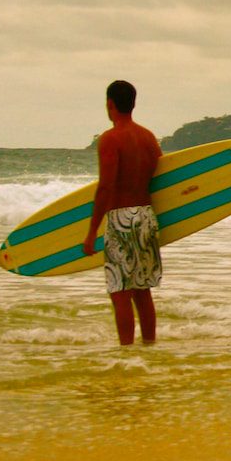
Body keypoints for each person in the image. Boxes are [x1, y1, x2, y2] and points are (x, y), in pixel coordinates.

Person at [84, 79, 164, 345]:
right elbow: (161, 177)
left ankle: (127, 354)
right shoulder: (148, 137)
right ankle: (149, 347)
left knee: (120, 291)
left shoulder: (110, 139)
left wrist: (91, 232)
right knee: (143, 290)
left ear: (110, 104)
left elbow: (106, 186)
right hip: (146, 216)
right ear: (133, 103)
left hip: (121, 219)